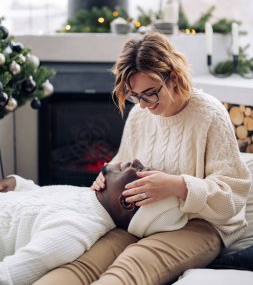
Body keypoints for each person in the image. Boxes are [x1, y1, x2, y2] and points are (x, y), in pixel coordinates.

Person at [35, 31, 251, 285]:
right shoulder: (139, 114)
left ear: (173, 76)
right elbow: (122, 159)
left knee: (131, 266)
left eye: (150, 93)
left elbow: (233, 196)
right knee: (83, 263)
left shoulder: (209, 115)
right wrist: (104, 177)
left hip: (200, 225)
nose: (144, 104)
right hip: (140, 220)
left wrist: (177, 185)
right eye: (136, 96)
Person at [0, 159, 187, 285]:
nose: (136, 161)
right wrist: (19, 185)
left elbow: (11, 275)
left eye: (139, 171)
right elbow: (42, 202)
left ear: (127, 202)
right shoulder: (88, 196)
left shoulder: (73, 230)